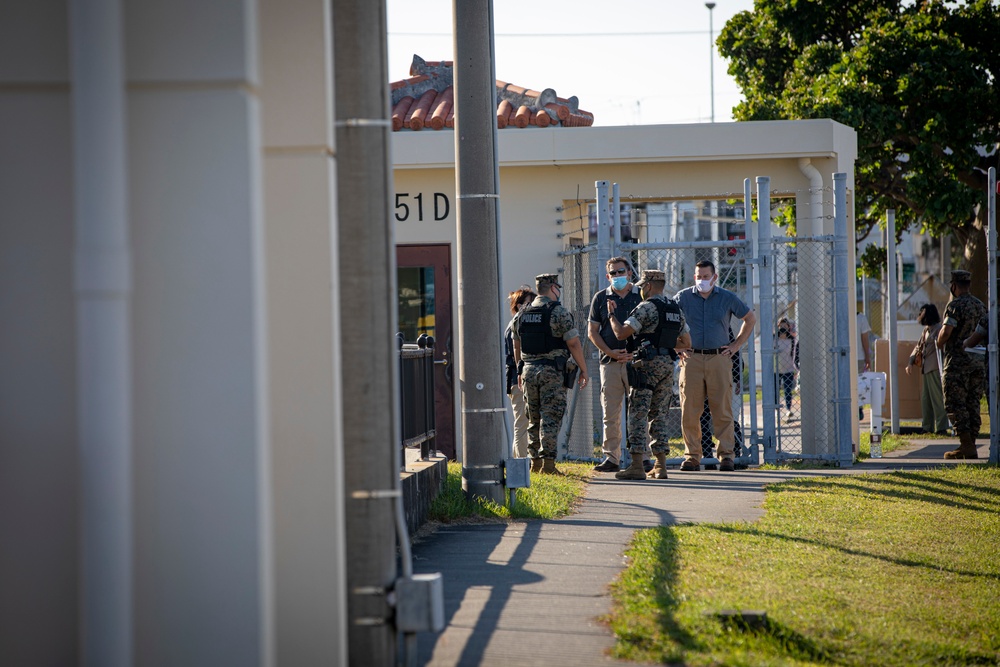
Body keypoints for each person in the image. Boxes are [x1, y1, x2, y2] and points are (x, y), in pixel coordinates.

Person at [607, 269, 691, 480]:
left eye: (642, 286)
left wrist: (611, 315)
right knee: (659, 414)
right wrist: (663, 343)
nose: (641, 290)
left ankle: (636, 465)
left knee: (638, 413)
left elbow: (621, 333)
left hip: (646, 365)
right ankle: (661, 466)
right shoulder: (675, 309)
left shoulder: (646, 308)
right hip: (667, 365)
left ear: (648, 286)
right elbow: (687, 343)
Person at [674, 260, 756, 472]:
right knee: (690, 410)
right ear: (694, 277)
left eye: (706, 276)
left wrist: (736, 345)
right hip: (691, 359)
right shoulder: (682, 297)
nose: (702, 280)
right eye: (698, 276)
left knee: (722, 409)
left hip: (719, 358)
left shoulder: (727, 298)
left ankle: (727, 455)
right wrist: (676, 346)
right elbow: (669, 320)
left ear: (714, 277)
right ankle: (692, 456)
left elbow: (749, 318)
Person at [512, 273, 589, 474]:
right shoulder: (559, 312)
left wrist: (520, 369)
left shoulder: (522, 313)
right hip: (552, 372)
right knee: (551, 417)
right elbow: (573, 343)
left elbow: (516, 344)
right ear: (553, 288)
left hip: (529, 370)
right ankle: (548, 465)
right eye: (558, 288)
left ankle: (534, 463)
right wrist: (584, 369)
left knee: (533, 417)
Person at [587, 256, 651, 473]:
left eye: (620, 272)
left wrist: (635, 353)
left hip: (638, 362)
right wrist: (610, 352)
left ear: (630, 273)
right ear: (607, 276)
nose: (617, 276)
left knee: (640, 410)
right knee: (610, 412)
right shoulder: (600, 298)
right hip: (610, 363)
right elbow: (592, 332)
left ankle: (642, 457)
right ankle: (612, 457)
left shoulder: (641, 296)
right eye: (613, 273)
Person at [936, 269, 986, 459]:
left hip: (958, 363)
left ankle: (966, 444)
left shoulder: (954, 306)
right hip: (979, 362)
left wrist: (939, 342)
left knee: (955, 402)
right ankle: (971, 443)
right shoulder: (980, 305)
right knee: (973, 402)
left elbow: (947, 331)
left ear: (954, 286)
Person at [904, 304, 949, 434]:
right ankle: (927, 427)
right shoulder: (926, 330)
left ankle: (941, 427)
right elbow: (918, 347)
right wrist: (910, 362)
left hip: (935, 368)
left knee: (937, 399)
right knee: (926, 400)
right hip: (926, 368)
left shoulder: (939, 330)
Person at [504, 286, 537, 457]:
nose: (533, 307)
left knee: (527, 421)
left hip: (523, 378)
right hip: (517, 381)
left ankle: (523, 460)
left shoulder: (524, 323)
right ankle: (521, 461)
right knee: (522, 422)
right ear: (518, 306)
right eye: (529, 303)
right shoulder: (516, 325)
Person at [776, 317, 799, 422]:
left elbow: (794, 355)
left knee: (787, 390)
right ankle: (776, 411)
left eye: (785, 326)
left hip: (788, 369)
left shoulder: (792, 340)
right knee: (775, 390)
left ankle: (788, 409)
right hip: (776, 370)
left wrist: (796, 369)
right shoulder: (774, 339)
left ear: (788, 327)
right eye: (781, 326)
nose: (783, 328)